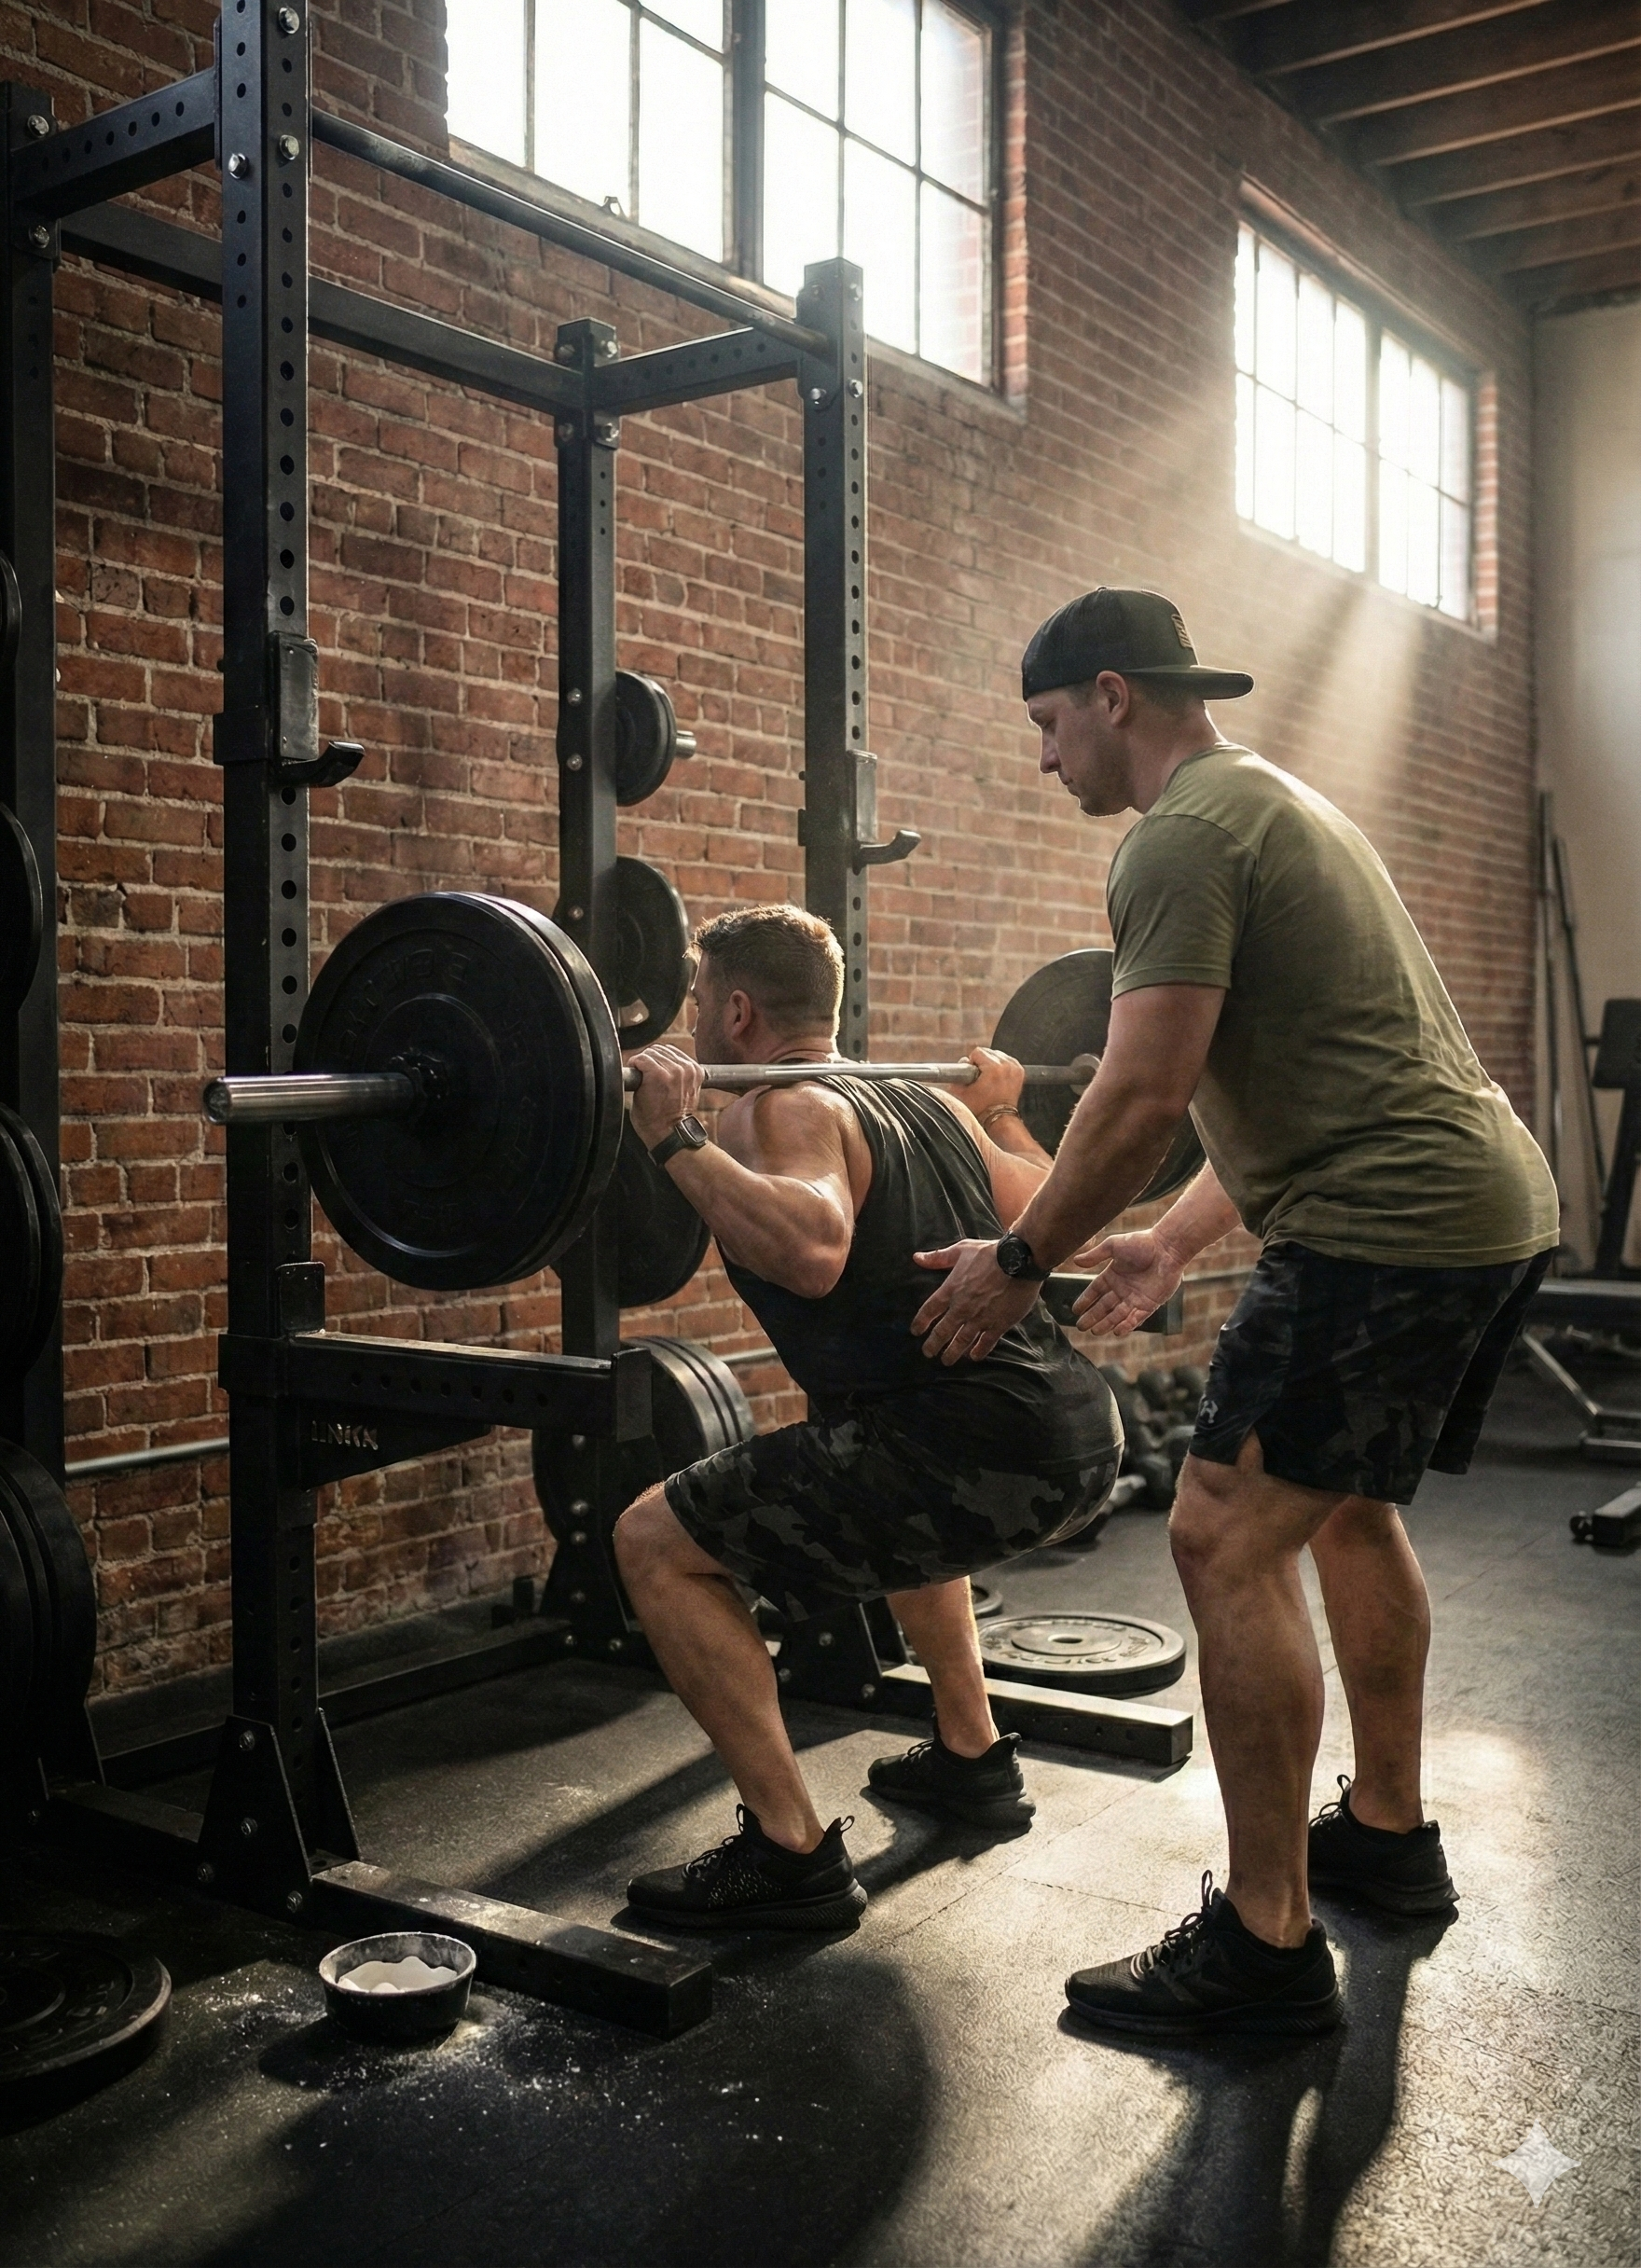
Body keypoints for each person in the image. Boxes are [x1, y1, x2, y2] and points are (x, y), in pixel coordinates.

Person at [915, 587, 1558, 2038]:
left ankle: (1266, 1949)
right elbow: (1300, 1084)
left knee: (1216, 1530)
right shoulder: (1267, 803)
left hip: (1388, 1224)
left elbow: (1141, 1099)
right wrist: (1166, 1243)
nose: (1043, 761)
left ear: (1111, 694)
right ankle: (1384, 1842)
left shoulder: (1179, 839)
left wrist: (1017, 1259)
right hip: (1480, 1200)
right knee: (1342, 1510)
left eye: (1046, 725)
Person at [612, 903, 1123, 1931]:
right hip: (1076, 1436)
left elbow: (811, 1248)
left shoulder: (785, 1102)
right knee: (879, 1482)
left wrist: (671, 1134)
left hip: (967, 1450)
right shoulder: (914, 1095)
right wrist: (1008, 1110)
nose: (693, 1017)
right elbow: (1059, 1209)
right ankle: (972, 1756)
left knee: (652, 1543)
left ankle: (787, 1851)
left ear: (739, 1010)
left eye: (700, 1001)